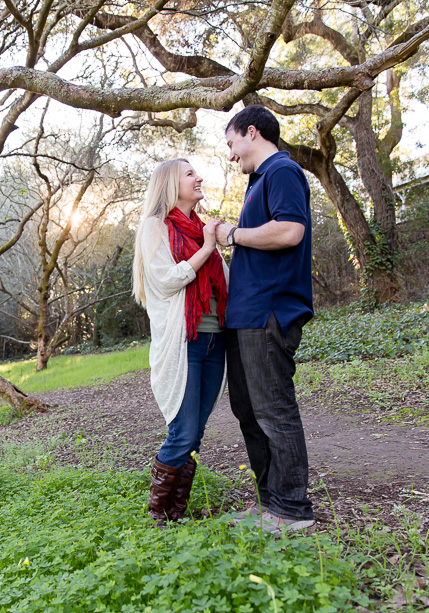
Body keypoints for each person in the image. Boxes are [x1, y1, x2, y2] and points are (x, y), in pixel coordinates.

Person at [214, 105, 316, 533]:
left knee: (273, 410)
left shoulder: (282, 172)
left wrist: (233, 235)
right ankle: (270, 504)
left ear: (251, 132)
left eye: (232, 143)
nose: (231, 155)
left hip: (270, 312)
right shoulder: (258, 181)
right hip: (244, 316)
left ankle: (292, 510)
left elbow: (290, 230)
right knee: (248, 411)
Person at [132, 158, 228, 526]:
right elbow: (166, 280)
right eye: (190, 173)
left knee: (196, 431)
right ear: (171, 184)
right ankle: (157, 511)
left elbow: (222, 283)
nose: (198, 177)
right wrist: (206, 248)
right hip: (183, 341)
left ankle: (177, 510)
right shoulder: (155, 227)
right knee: (183, 429)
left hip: (213, 340)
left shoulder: (200, 227)